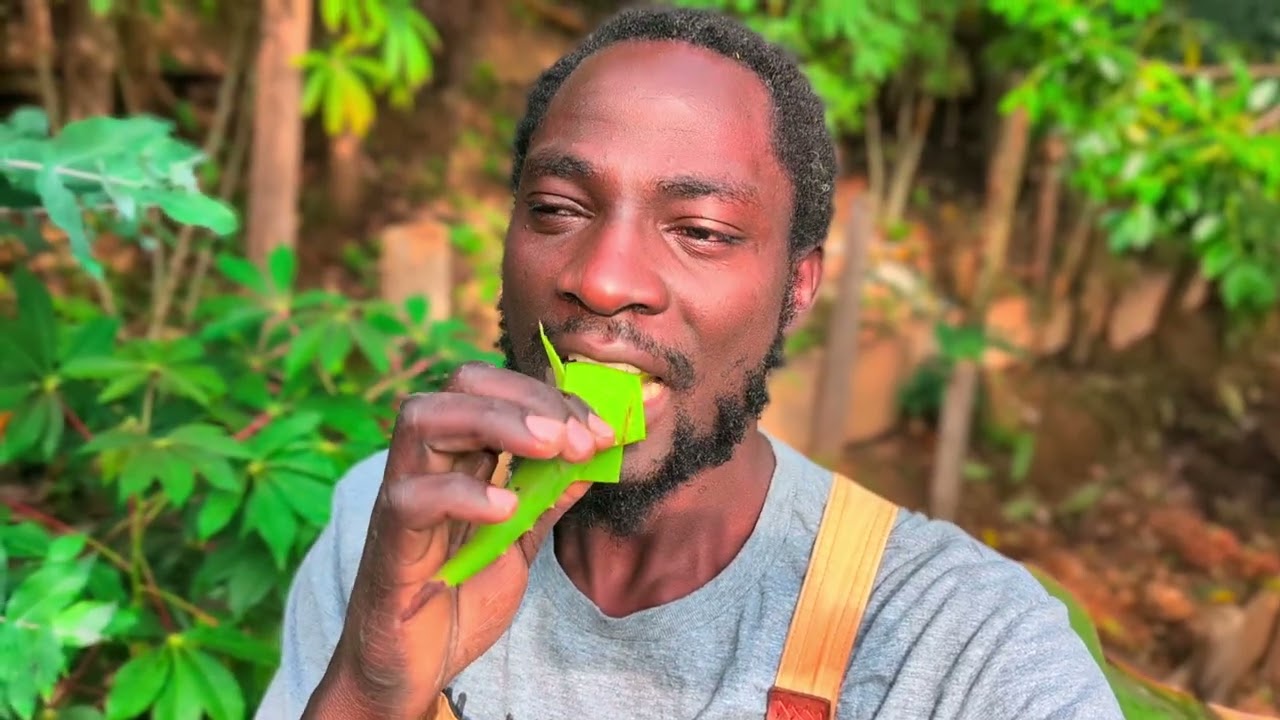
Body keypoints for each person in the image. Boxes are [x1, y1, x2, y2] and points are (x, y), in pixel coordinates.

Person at [256, 6, 1125, 719]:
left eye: (701, 231)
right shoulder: (399, 530)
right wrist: (371, 691)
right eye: (558, 209)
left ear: (797, 285)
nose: (602, 280)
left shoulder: (965, 651)